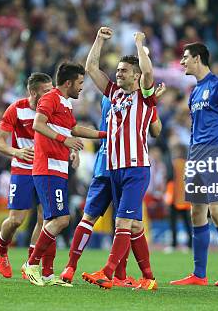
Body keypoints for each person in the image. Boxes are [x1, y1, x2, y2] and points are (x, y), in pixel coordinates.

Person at [61, 83, 165, 286]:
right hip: (124, 165)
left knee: (91, 218)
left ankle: (70, 267)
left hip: (103, 163)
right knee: (128, 222)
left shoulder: (109, 95)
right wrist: (151, 103)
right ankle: (121, 274)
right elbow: (156, 130)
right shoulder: (136, 99)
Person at [81, 27, 159, 291]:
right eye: (119, 70)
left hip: (136, 168)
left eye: (124, 71)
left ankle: (108, 272)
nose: (119, 73)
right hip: (114, 168)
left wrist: (139, 43)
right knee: (134, 225)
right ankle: (148, 278)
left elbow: (148, 73)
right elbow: (91, 67)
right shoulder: (113, 93)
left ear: (136, 77)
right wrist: (99, 40)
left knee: (122, 223)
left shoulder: (145, 96)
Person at [23, 62, 105, 287]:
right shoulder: (50, 98)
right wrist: (64, 141)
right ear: (68, 83)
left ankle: (48, 274)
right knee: (61, 219)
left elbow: (74, 129)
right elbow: (38, 124)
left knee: (52, 220)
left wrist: (104, 134)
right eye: (80, 83)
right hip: (47, 167)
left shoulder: (65, 103)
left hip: (58, 168)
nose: (82, 87)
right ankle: (31, 264)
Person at [170, 42, 218, 287]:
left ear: (198, 58)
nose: (182, 62)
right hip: (197, 157)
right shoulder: (194, 92)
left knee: (216, 210)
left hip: (217, 154)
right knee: (197, 212)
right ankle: (199, 274)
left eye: (185, 57)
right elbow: (194, 131)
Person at [0, 73, 53, 279]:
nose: (50, 94)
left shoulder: (52, 108)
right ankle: (1, 249)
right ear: (33, 92)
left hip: (45, 169)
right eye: (46, 91)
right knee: (16, 220)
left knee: (45, 217)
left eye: (51, 90)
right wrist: (16, 152)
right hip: (22, 169)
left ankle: (30, 263)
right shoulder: (16, 109)